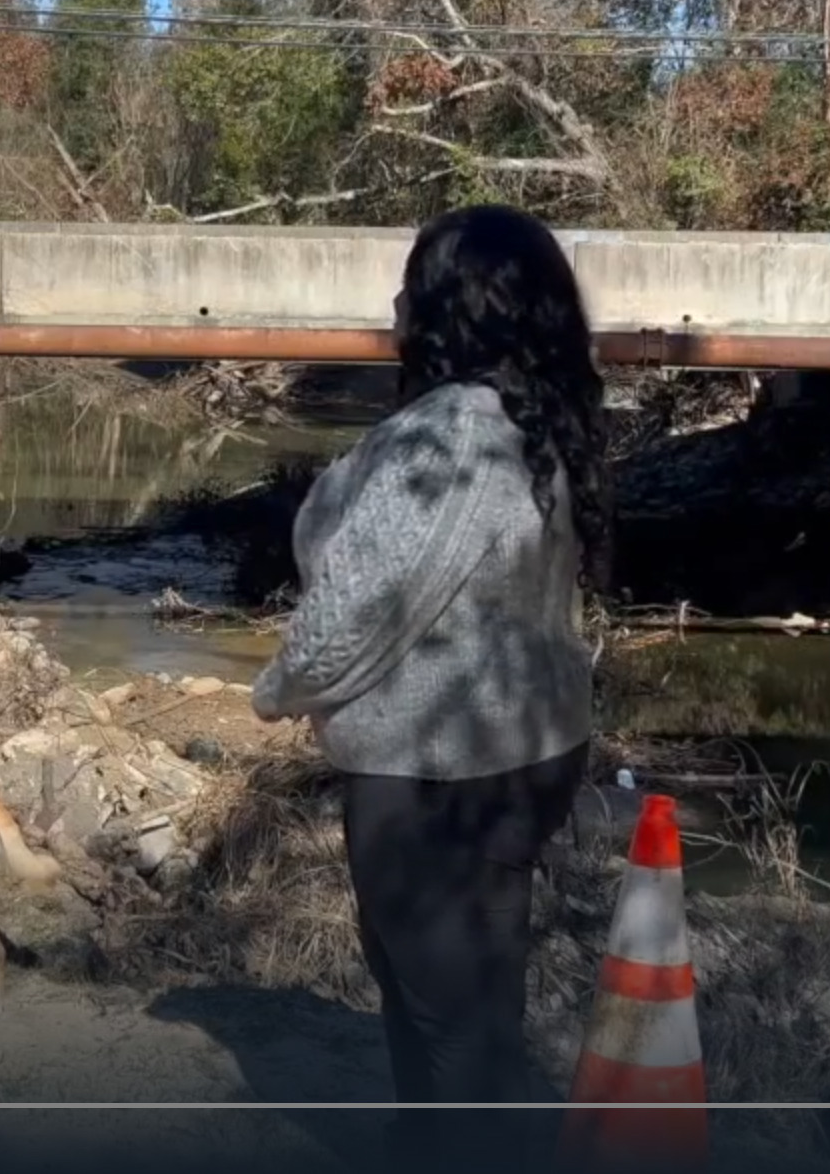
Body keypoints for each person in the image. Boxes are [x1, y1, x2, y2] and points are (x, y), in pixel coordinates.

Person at [250, 203, 613, 1165]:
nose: (396, 303)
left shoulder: (446, 439)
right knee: (480, 999)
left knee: (440, 1011)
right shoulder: (533, 419)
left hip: (433, 768)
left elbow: (355, 605)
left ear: (450, 305)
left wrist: (280, 689)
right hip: (528, 749)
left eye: (412, 284)